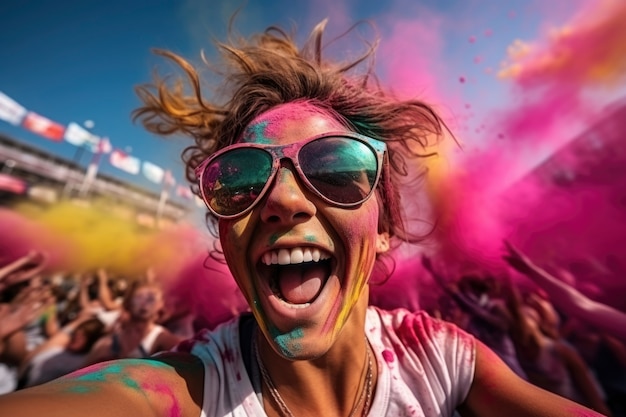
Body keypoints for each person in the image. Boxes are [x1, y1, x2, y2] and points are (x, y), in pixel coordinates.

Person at [0, 20, 608, 416]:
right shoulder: (187, 390)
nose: (283, 200)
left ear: (384, 222)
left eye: (336, 169)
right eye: (238, 179)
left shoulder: (441, 362)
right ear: (223, 232)